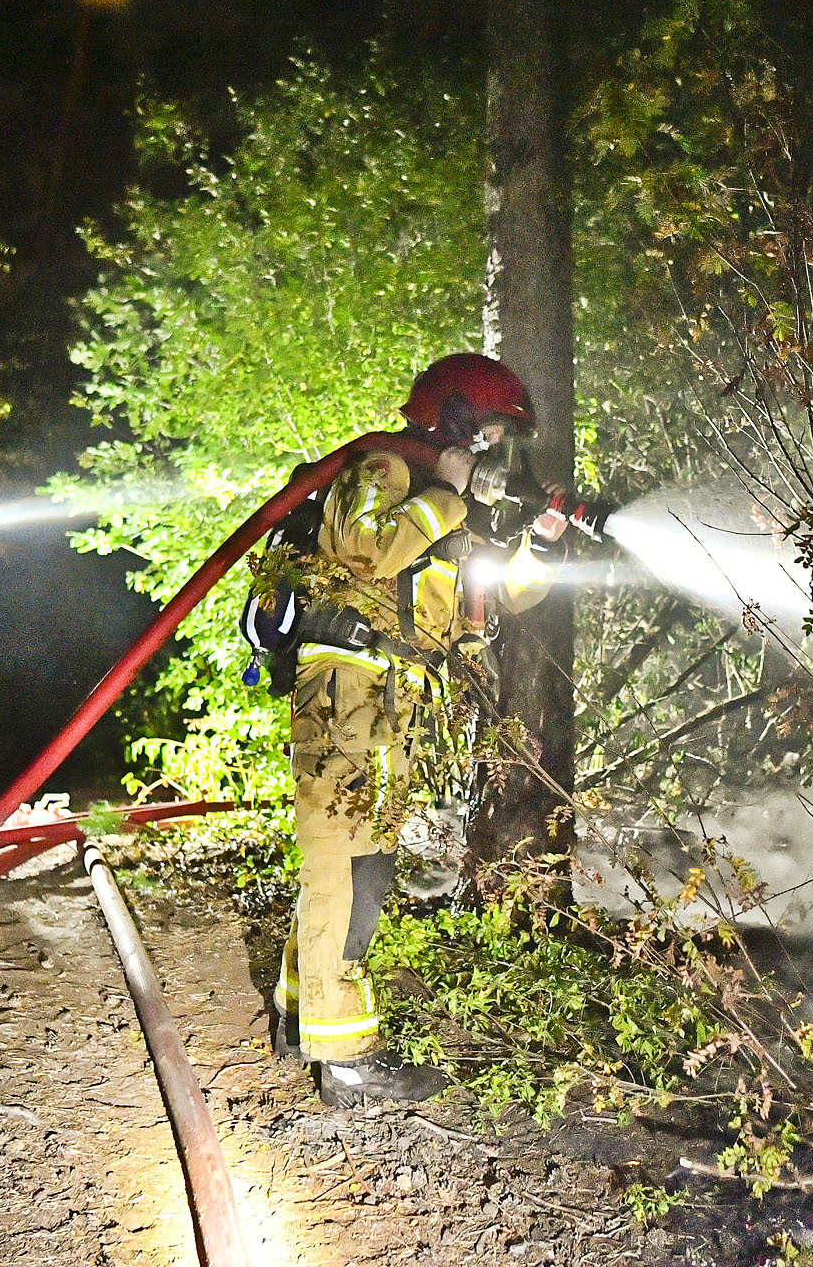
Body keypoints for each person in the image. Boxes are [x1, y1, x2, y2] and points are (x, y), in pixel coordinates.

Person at [272, 353, 568, 1105]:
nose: (497, 450)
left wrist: (548, 537)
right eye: (492, 432)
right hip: (346, 688)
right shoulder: (384, 469)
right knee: (343, 863)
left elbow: (508, 595)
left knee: (363, 865)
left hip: (393, 704)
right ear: (456, 417)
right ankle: (342, 1059)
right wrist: (443, 491)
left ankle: (299, 1013)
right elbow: (358, 552)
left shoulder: (448, 511)